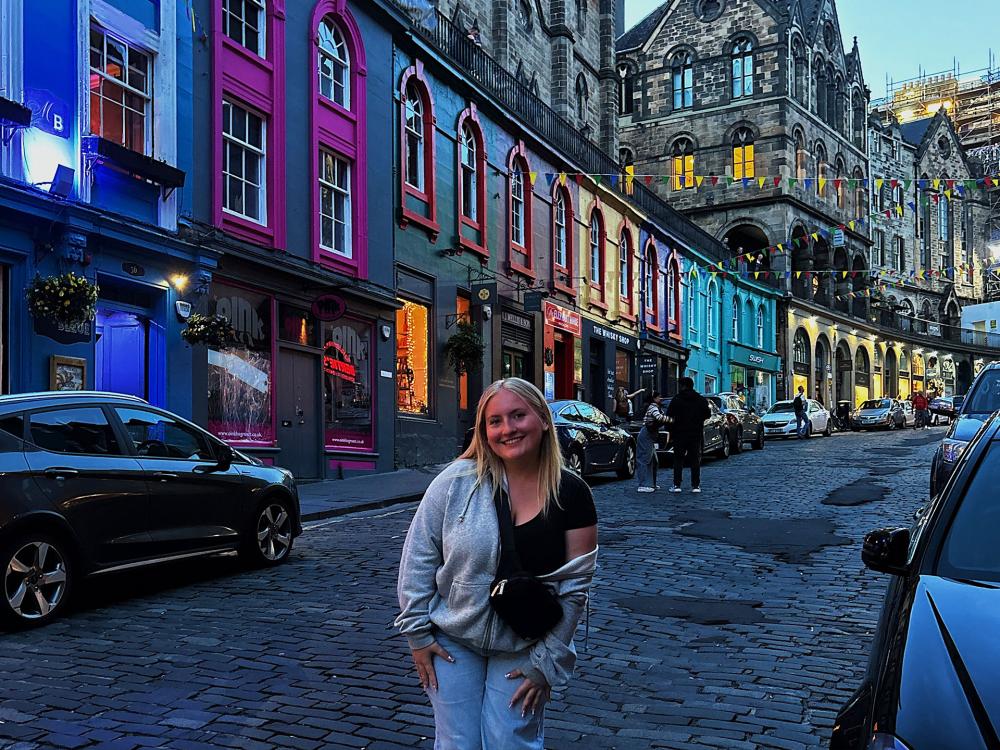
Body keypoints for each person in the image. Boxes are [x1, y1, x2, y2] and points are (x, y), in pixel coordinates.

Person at [396, 378, 598, 749]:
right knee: (458, 743)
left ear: (542, 418)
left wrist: (547, 661)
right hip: (453, 638)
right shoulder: (454, 482)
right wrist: (417, 635)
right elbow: (419, 557)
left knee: (510, 742)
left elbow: (575, 588)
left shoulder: (571, 492)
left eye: (518, 415)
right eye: (495, 420)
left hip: (525, 643)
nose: (508, 429)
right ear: (484, 430)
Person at [665, 377, 711, 493]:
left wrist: (671, 430)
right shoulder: (700, 399)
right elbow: (707, 414)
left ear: (683, 386)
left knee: (678, 459)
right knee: (695, 459)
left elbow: (669, 415)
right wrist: (697, 420)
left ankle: (677, 485)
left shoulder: (677, 399)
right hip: (695, 433)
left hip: (679, 433)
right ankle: (695, 485)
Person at [636, 391, 670, 492]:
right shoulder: (653, 407)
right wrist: (671, 420)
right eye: (659, 397)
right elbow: (659, 417)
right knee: (644, 459)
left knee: (653, 460)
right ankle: (643, 485)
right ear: (655, 398)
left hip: (650, 434)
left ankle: (651, 483)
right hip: (646, 434)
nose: (661, 399)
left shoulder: (656, 407)